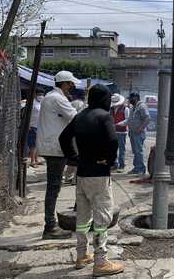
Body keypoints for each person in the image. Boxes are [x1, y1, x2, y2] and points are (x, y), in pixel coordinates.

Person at [59, 84, 124, 277]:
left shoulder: (80, 116)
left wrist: (74, 158)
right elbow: (113, 141)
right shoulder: (104, 116)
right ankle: (101, 262)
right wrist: (110, 160)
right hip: (99, 175)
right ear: (104, 99)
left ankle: (81, 255)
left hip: (82, 174)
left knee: (83, 217)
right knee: (102, 218)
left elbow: (64, 138)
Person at [37, 70, 79, 239]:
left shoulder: (51, 97)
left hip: (52, 146)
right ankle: (50, 227)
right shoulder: (57, 98)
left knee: (54, 186)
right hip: (55, 148)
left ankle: (50, 224)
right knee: (54, 187)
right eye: (71, 84)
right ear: (64, 83)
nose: (72, 87)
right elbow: (75, 117)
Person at [118, 92, 150, 175]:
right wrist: (119, 124)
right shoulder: (133, 107)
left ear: (136, 98)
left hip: (139, 133)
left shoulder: (142, 106)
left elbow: (147, 118)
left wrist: (141, 128)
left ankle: (140, 169)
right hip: (132, 132)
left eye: (131, 98)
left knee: (138, 151)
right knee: (135, 151)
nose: (130, 100)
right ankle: (137, 168)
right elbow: (129, 120)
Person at [110, 94, 129, 173]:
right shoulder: (111, 109)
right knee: (113, 149)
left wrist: (118, 124)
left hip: (122, 132)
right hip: (113, 131)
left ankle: (122, 165)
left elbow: (128, 120)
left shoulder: (126, 109)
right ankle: (115, 164)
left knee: (121, 149)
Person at [28, 89, 45, 167]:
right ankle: (32, 161)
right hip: (32, 126)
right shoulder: (32, 103)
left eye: (42, 94)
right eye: (39, 94)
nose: (41, 96)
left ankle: (36, 159)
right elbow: (27, 114)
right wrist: (28, 124)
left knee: (38, 144)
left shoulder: (41, 103)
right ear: (35, 95)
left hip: (40, 126)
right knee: (33, 145)